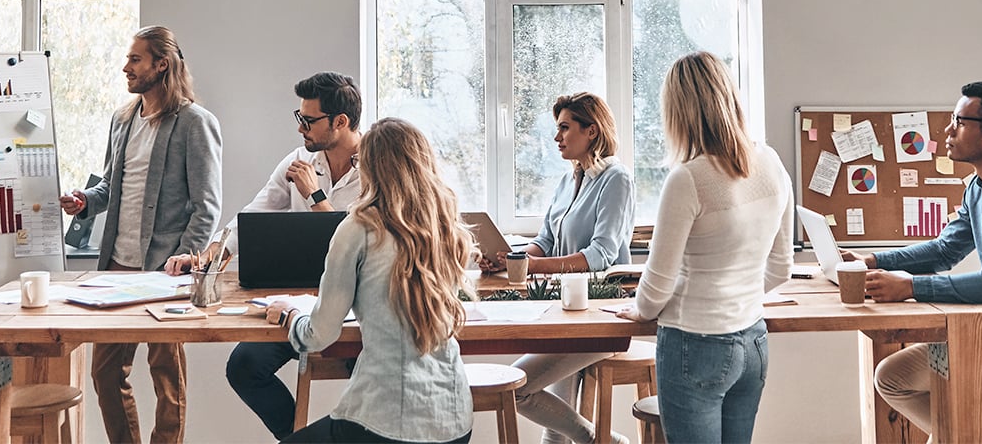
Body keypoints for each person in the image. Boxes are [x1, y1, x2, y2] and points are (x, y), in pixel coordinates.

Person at [165, 71, 363, 440]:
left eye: (309, 120)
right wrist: (210, 255)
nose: (301, 127)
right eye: (299, 117)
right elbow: (254, 214)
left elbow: (354, 243)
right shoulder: (299, 160)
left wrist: (315, 196)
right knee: (244, 366)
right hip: (302, 298)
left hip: (356, 303)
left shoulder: (376, 168)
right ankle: (296, 437)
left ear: (341, 122)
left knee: (365, 373)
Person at [618, 52, 793, 444]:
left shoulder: (687, 179)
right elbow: (781, 269)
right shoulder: (772, 162)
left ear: (679, 112)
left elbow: (657, 286)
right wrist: (736, 296)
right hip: (753, 343)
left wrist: (639, 309)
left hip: (695, 345)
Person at [265, 117, 473, 444]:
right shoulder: (444, 228)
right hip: (455, 421)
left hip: (384, 423)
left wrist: (292, 317)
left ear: (371, 167)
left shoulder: (358, 228)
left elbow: (319, 334)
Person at [60, 25, 222, 444]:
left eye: (135, 59)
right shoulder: (122, 119)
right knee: (106, 372)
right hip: (116, 267)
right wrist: (85, 201)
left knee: (166, 375)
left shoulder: (194, 123)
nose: (125, 68)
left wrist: (187, 258)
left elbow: (207, 205)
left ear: (161, 64)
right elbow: (111, 186)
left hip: (165, 270)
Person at [840, 80, 982, 441]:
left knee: (896, 380)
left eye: (959, 122)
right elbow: (943, 251)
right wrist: (872, 261)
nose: (947, 130)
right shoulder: (977, 189)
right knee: (891, 378)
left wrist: (912, 287)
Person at [480, 92, 635, 444]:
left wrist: (531, 266)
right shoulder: (568, 181)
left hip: (600, 316)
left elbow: (600, 254)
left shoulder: (616, 179)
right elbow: (545, 242)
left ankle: (603, 441)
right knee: (551, 422)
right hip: (563, 314)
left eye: (565, 128)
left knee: (516, 386)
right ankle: (601, 441)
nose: (557, 137)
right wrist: (510, 260)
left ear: (591, 131)